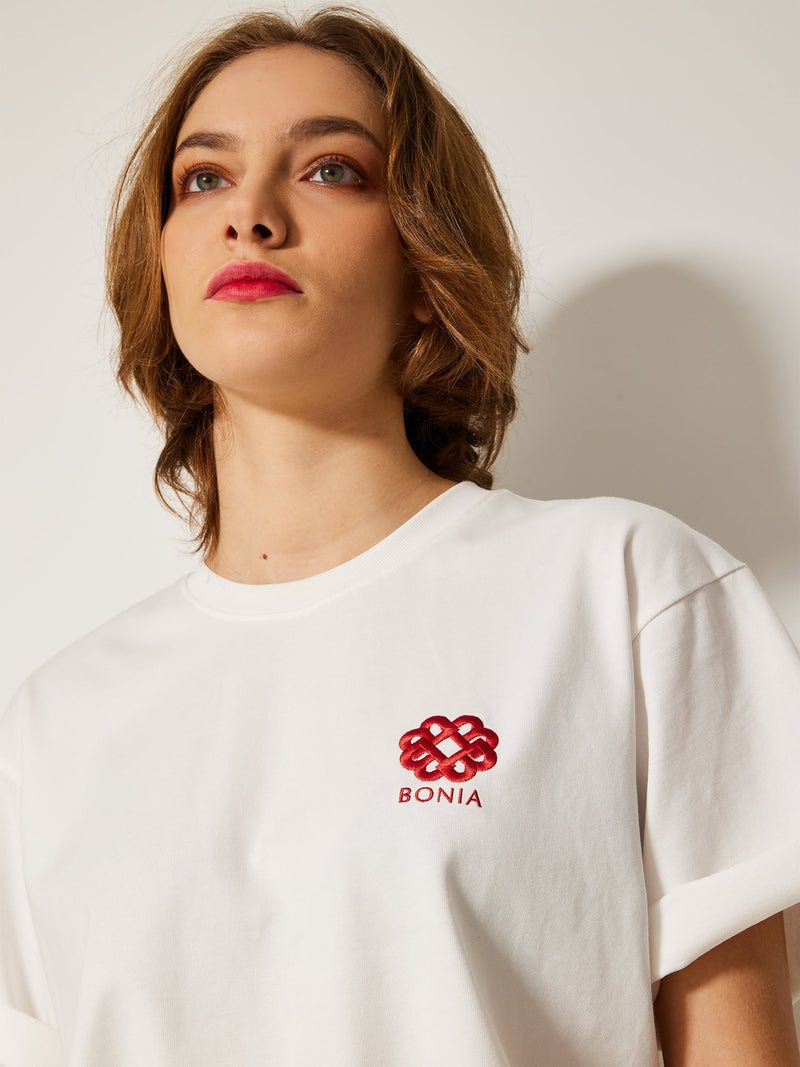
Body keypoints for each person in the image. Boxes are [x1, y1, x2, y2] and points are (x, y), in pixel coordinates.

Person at [1, 6, 799, 1065]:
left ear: (426, 266)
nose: (250, 215)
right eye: (203, 178)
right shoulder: (56, 723)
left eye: (330, 170)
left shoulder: (622, 589)